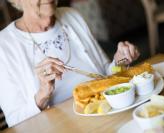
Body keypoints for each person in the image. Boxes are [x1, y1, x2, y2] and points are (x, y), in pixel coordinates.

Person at [0, 0, 140, 127]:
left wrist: (120, 61)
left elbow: (105, 73)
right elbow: (14, 122)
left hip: (110, 114)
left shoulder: (72, 15)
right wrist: (42, 95)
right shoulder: (4, 46)